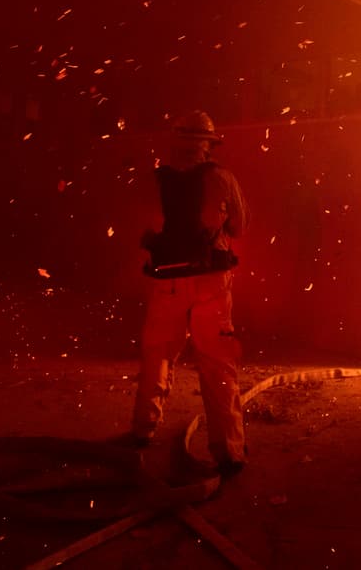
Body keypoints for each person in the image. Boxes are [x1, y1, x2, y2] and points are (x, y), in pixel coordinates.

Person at [128, 110, 249, 478]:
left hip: (167, 281)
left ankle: (143, 430)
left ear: (176, 145)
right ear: (208, 146)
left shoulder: (155, 181)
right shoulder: (221, 178)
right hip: (212, 280)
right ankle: (229, 450)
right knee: (217, 363)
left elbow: (144, 233)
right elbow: (239, 228)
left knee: (157, 353)